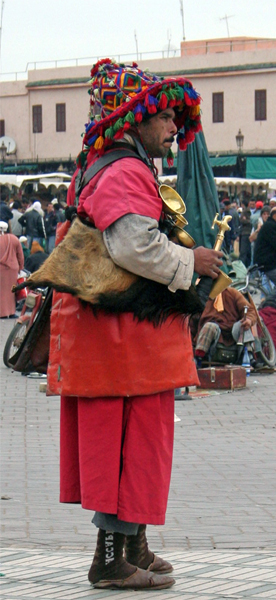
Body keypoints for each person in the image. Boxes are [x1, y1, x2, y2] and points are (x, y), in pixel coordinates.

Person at [47, 59, 223, 590]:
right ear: (134, 120)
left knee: (137, 441)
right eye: (165, 117)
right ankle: (109, 560)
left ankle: (134, 546)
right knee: (124, 445)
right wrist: (196, 263)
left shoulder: (113, 164)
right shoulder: (124, 170)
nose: (173, 127)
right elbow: (134, 246)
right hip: (119, 341)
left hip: (122, 340)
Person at [194, 287, 257, 363]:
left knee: (243, 324)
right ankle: (198, 358)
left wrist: (249, 320)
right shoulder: (204, 295)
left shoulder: (233, 293)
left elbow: (250, 311)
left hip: (233, 333)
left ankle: (249, 356)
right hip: (214, 334)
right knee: (209, 326)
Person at [0, 220, 24, 318]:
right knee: (11, 292)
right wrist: (21, 268)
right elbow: (20, 256)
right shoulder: (14, 238)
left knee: (1, 291)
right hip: (13, 269)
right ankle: (11, 312)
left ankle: (2, 313)